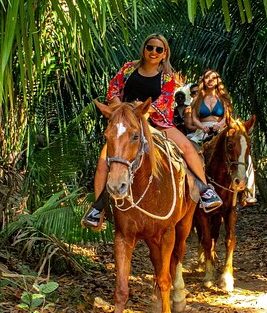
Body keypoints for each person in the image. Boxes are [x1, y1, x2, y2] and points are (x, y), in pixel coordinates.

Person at [82, 34, 223, 229]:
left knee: (186, 147)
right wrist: (117, 105)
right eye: (150, 47)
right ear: (144, 49)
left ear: (165, 53)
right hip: (128, 123)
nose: (153, 52)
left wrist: (145, 109)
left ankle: (205, 190)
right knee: (103, 162)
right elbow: (114, 88)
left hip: (157, 123)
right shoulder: (128, 68)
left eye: (159, 49)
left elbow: (164, 102)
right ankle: (98, 209)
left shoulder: (167, 77)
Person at [188, 69, 257, 205]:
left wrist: (219, 125)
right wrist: (202, 127)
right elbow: (194, 118)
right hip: (202, 130)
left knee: (242, 152)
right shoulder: (197, 99)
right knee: (189, 152)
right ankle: (192, 189)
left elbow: (227, 117)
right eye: (207, 77)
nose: (210, 80)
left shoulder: (223, 98)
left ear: (218, 81)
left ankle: (248, 191)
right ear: (203, 80)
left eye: (213, 78)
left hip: (220, 129)